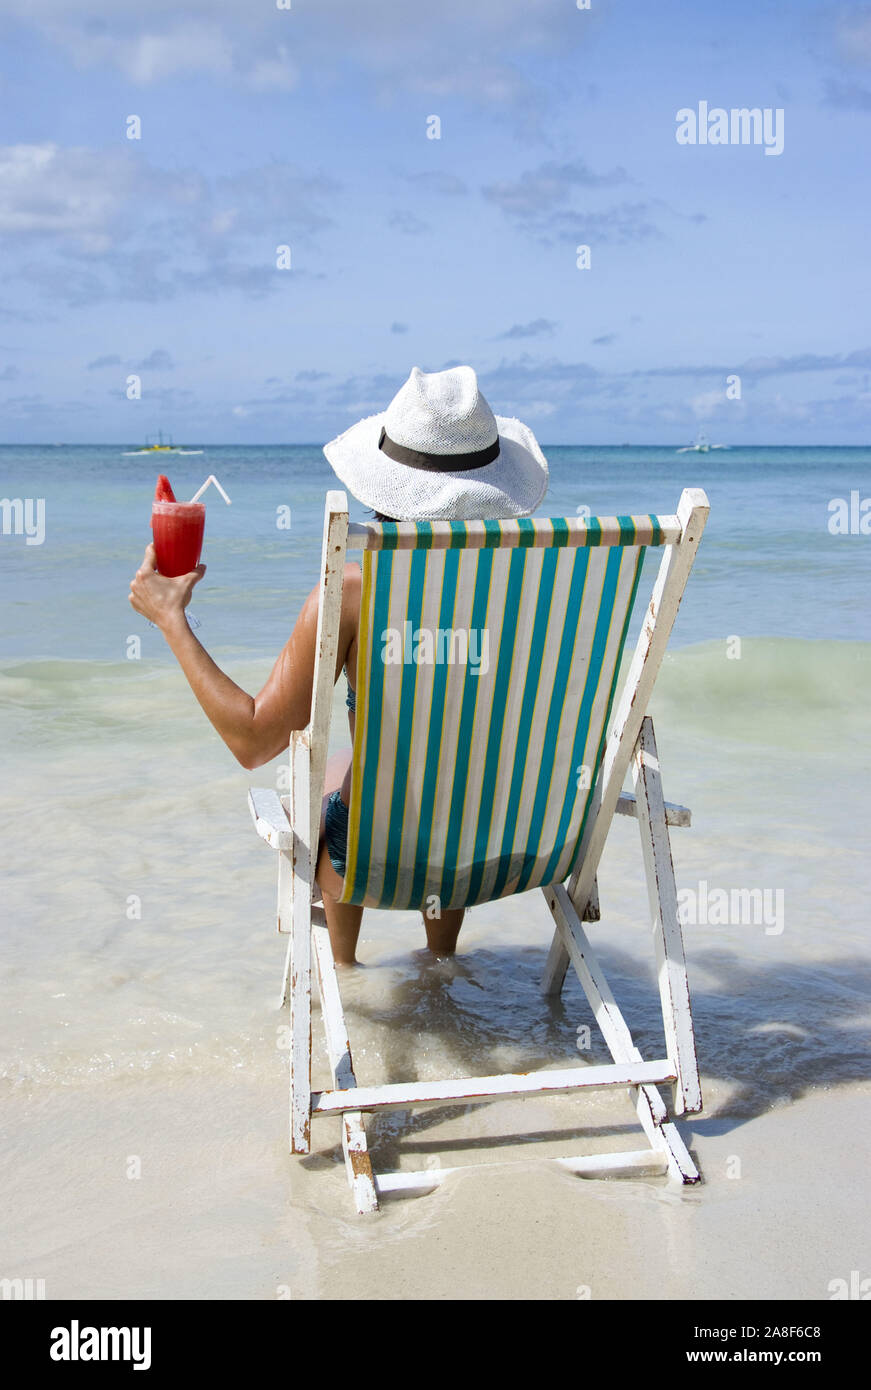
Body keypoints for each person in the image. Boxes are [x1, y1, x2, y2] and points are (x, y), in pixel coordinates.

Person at [129, 365, 548, 965]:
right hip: (493, 838)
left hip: (373, 853)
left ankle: (346, 973)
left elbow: (253, 740)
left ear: (383, 490)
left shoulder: (353, 591)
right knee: (448, 767)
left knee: (345, 784)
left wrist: (172, 620)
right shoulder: (534, 585)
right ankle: (440, 966)